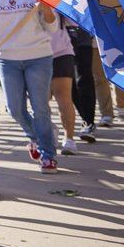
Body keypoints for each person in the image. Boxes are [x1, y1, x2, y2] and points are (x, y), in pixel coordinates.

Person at [0, 0, 58, 173]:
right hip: (7, 59)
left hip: (38, 57)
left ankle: (48, 155)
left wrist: (45, 8)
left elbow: (52, 27)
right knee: (14, 109)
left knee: (40, 109)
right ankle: (36, 136)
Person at [49, 19, 80, 155]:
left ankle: (69, 138)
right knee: (40, 100)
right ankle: (50, 129)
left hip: (61, 52)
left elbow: (76, 20)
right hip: (34, 54)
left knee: (63, 96)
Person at [68, 22, 98, 142]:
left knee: (84, 79)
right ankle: (84, 117)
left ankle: (88, 122)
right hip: (62, 39)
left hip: (83, 36)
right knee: (70, 84)